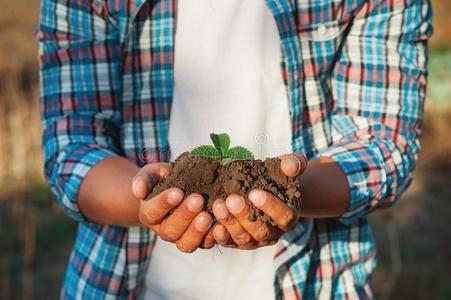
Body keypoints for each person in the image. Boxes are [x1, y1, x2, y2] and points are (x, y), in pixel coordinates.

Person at [37, 0, 432, 299]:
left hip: (319, 280)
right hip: (122, 280)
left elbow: (384, 146)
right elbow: (73, 147)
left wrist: (285, 191)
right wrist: (150, 198)